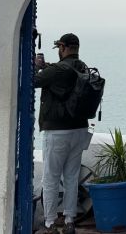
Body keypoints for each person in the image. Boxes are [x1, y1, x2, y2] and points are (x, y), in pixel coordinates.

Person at [34, 33, 92, 234]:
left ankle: (50, 223)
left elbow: (33, 81)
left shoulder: (57, 70)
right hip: (80, 129)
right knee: (71, 177)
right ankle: (69, 221)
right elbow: (62, 76)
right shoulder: (82, 66)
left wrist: (36, 64)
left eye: (59, 46)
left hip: (58, 131)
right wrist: (47, 67)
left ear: (63, 47)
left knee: (50, 178)